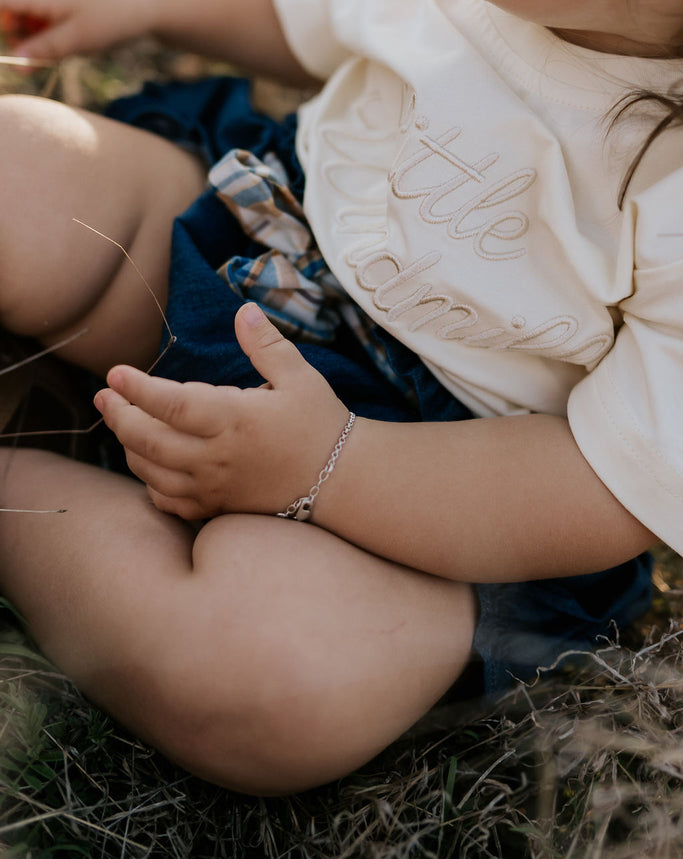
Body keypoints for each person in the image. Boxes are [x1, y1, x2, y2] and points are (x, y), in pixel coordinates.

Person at [0, 0, 680, 794]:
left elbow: (604, 481)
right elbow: (309, 19)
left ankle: (21, 489)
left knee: (273, 679)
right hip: (261, 245)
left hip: (442, 493)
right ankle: (63, 399)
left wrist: (327, 464)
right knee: (23, 165)